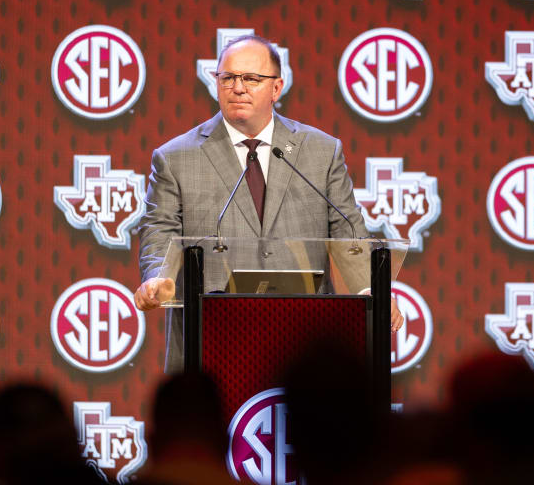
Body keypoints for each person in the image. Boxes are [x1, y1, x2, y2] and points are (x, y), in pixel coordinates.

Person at [134, 35, 402, 372]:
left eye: (251, 79)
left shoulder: (320, 151)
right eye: (227, 78)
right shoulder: (176, 157)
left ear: (276, 88)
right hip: (214, 339)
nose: (238, 88)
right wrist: (158, 278)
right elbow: (160, 229)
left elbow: (347, 229)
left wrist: (369, 286)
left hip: (305, 338)